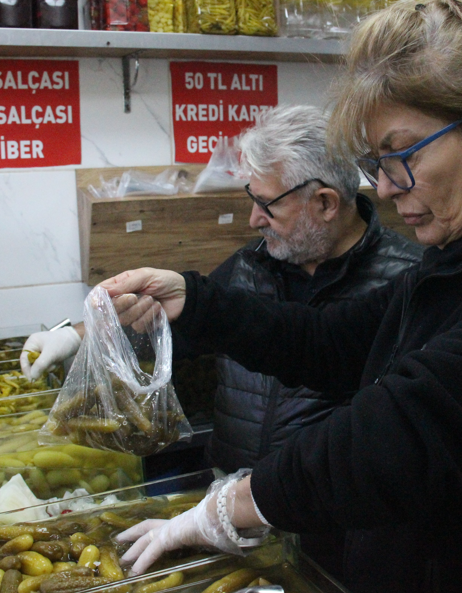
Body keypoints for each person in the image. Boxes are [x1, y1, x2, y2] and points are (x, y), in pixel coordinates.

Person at [101, 0, 462, 593]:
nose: (382, 189)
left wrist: (230, 508)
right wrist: (194, 301)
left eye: (401, 155)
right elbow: (330, 340)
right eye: (375, 162)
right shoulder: (457, 260)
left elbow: (401, 435)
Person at [22, 105, 421, 577]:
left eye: (268, 204)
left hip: (333, 535)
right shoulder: (252, 266)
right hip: (223, 516)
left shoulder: (407, 284)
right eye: (251, 197)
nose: (253, 219)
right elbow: (169, 329)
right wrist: (76, 335)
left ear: (326, 203)